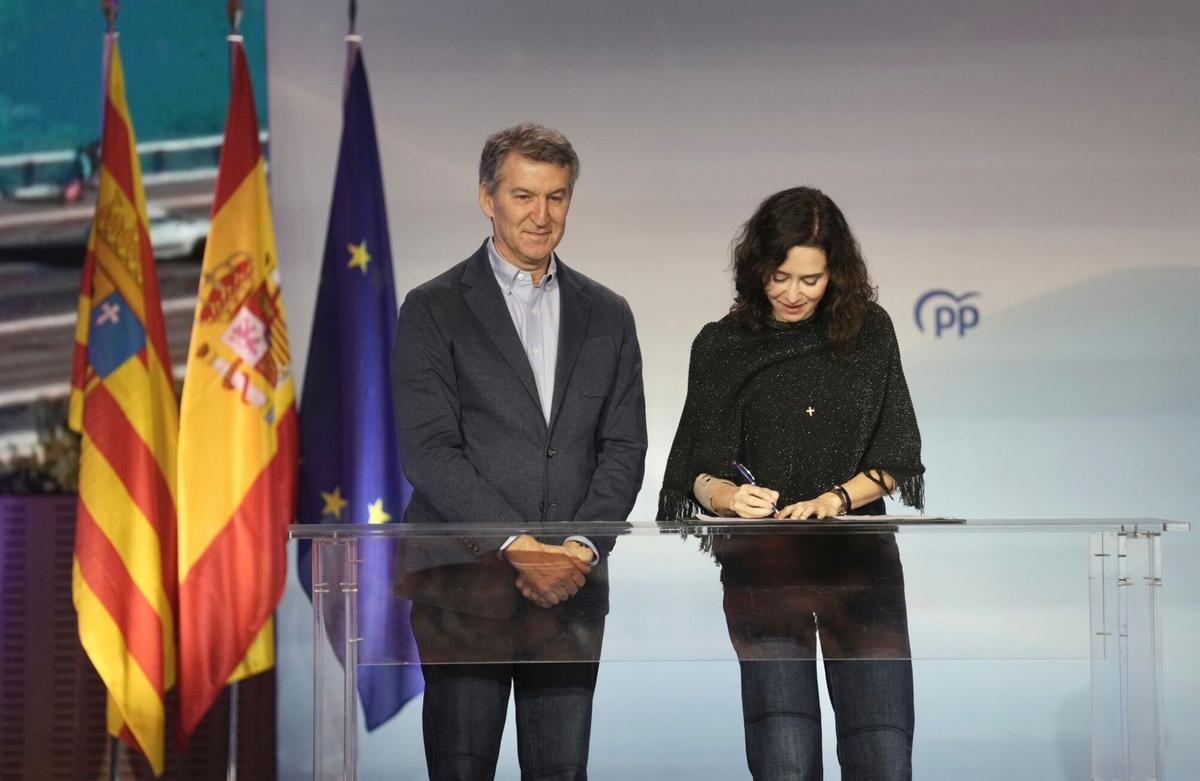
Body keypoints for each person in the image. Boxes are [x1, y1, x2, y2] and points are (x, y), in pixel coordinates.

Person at [391, 122, 647, 781]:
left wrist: (581, 549)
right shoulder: (433, 308)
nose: (541, 215)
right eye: (523, 195)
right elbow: (429, 453)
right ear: (487, 198)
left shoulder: (609, 313)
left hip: (570, 589)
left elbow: (623, 446)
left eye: (557, 197)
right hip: (463, 588)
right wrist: (520, 546)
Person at [658, 186, 924, 780]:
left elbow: (898, 453)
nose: (794, 293)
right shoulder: (722, 345)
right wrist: (726, 496)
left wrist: (834, 500)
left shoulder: (868, 334)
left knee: (881, 750)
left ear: (837, 274)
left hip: (860, 567)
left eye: (812, 278)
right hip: (765, 570)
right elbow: (690, 473)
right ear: (756, 268)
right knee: (784, 757)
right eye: (781, 277)